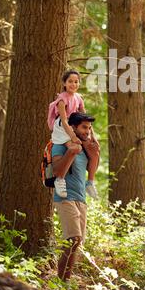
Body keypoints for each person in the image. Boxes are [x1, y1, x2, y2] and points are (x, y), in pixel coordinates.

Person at [52, 112, 95, 281]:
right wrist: (71, 152)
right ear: (73, 128)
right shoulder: (60, 145)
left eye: (89, 128)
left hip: (81, 198)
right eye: (84, 127)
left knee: (76, 244)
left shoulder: (84, 148)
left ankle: (65, 281)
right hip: (65, 196)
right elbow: (57, 171)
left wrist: (94, 152)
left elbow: (88, 172)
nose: (87, 131)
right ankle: (62, 281)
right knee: (73, 239)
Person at [48, 69, 100, 199]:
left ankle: (90, 182)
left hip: (75, 125)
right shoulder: (62, 99)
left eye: (76, 82)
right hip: (63, 127)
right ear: (64, 83)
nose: (73, 84)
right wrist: (72, 137)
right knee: (74, 147)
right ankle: (59, 180)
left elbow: (86, 118)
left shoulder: (78, 98)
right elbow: (64, 121)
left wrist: (93, 136)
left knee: (95, 149)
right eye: (70, 81)